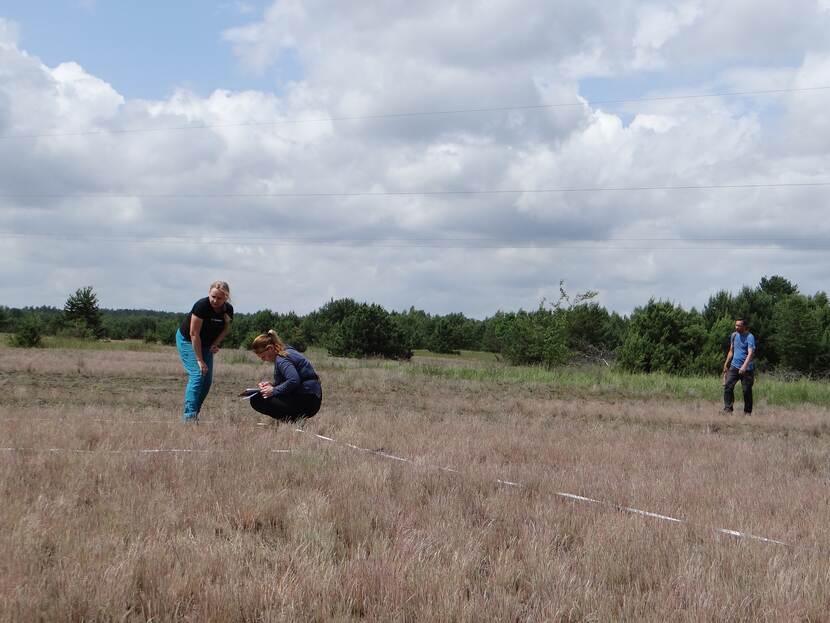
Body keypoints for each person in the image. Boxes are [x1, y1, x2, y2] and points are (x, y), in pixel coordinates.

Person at [176, 281, 233, 422]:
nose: (215, 300)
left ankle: (195, 413)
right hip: (188, 341)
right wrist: (200, 360)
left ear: (226, 297)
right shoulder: (201, 306)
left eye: (219, 298)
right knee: (198, 374)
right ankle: (188, 418)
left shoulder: (228, 310)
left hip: (207, 344)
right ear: (209, 293)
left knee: (206, 381)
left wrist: (215, 344)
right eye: (213, 296)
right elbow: (193, 333)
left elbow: (226, 329)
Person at [249, 330, 322, 422]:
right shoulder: (286, 351)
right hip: (312, 399)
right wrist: (272, 385)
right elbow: (292, 381)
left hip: (307, 401)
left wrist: (273, 390)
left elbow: (293, 381)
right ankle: (294, 421)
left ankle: (293, 422)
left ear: (270, 348)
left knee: (257, 399)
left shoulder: (281, 359)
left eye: (263, 356)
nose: (264, 360)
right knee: (263, 396)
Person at [722, 318, 756, 415]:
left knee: (746, 391)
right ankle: (728, 410)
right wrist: (726, 364)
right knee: (728, 386)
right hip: (734, 366)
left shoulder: (750, 337)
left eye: (739, 325)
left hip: (747, 369)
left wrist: (744, 366)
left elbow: (750, 353)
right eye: (736, 325)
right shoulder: (734, 335)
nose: (736, 327)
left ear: (744, 326)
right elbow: (731, 351)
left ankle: (747, 412)